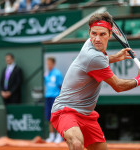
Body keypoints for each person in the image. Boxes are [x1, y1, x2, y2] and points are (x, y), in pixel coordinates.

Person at [50, 12, 140, 150]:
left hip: (86, 115)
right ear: (89, 32)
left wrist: (115, 57)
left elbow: (95, 62)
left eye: (102, 34)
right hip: (65, 111)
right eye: (94, 33)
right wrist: (138, 80)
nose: (97, 38)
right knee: (76, 143)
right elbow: (118, 86)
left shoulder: (91, 49)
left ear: (110, 34)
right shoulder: (93, 55)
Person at [44, 57, 63, 143]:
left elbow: (61, 86)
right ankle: (51, 136)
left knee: (57, 117)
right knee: (49, 118)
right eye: (47, 64)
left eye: (50, 64)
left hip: (55, 97)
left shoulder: (58, 74)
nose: (48, 65)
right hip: (48, 97)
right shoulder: (46, 74)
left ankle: (59, 136)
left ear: (53, 64)